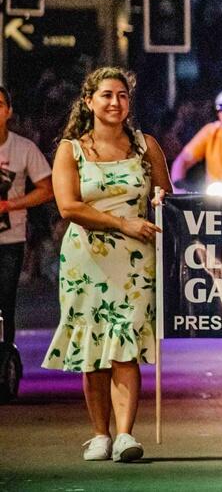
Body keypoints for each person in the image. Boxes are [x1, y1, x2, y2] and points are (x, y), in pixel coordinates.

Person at [42, 67, 172, 463]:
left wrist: (160, 201)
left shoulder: (145, 146)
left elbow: (165, 194)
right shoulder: (71, 149)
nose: (115, 102)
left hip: (135, 262)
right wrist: (122, 223)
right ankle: (100, 434)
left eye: (122, 96)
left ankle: (125, 435)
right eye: (106, 95)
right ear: (89, 101)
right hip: (87, 261)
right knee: (93, 347)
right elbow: (69, 206)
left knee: (125, 345)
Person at [0, 86, 54, 356]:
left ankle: (6, 357)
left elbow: (47, 189)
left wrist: (11, 204)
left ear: (8, 111)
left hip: (10, 240)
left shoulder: (23, 148)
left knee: (6, 302)